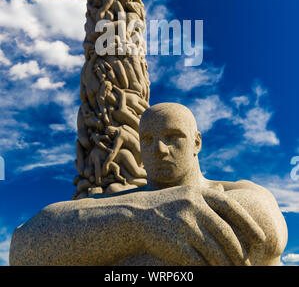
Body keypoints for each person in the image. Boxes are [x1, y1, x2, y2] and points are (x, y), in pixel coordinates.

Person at [9, 103, 287, 266]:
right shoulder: (118, 202)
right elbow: (23, 246)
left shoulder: (238, 191)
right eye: (148, 140)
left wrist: (105, 241)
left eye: (173, 137)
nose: (160, 150)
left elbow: (266, 231)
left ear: (197, 143)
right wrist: (138, 223)